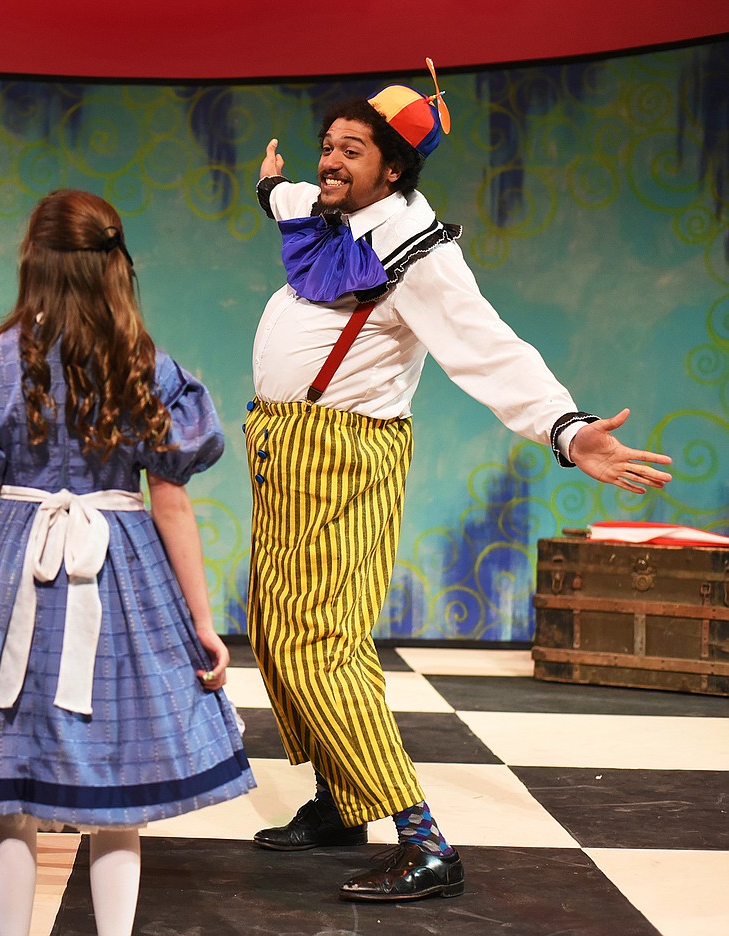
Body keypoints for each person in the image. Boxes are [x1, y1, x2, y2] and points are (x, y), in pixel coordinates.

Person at [245, 63, 672, 901]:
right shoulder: (324, 213)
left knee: (321, 642)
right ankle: (341, 800)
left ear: (394, 170)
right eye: (325, 146)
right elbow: (283, 195)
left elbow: (489, 348)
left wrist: (568, 428)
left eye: (351, 151)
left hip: (342, 460)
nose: (329, 161)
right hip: (283, 451)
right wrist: (271, 185)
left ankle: (424, 840)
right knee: (275, 627)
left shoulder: (418, 256)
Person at [0, 189, 254, 936]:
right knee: (119, 785)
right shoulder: (146, 363)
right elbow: (171, 502)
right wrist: (202, 623)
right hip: (123, 571)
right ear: (117, 264)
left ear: (33, 262)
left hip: (13, 569)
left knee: (8, 787)